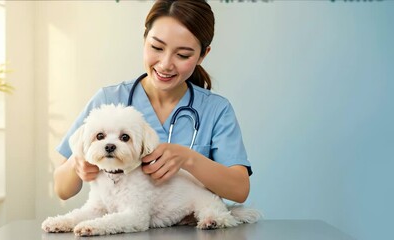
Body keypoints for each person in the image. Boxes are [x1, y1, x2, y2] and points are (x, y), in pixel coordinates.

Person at [53, 0, 253, 204]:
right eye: (157, 47)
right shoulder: (109, 100)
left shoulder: (216, 109)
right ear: (144, 39)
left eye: (183, 55)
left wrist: (188, 158)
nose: (166, 64)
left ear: (203, 55)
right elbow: (62, 189)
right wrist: (76, 165)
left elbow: (239, 190)